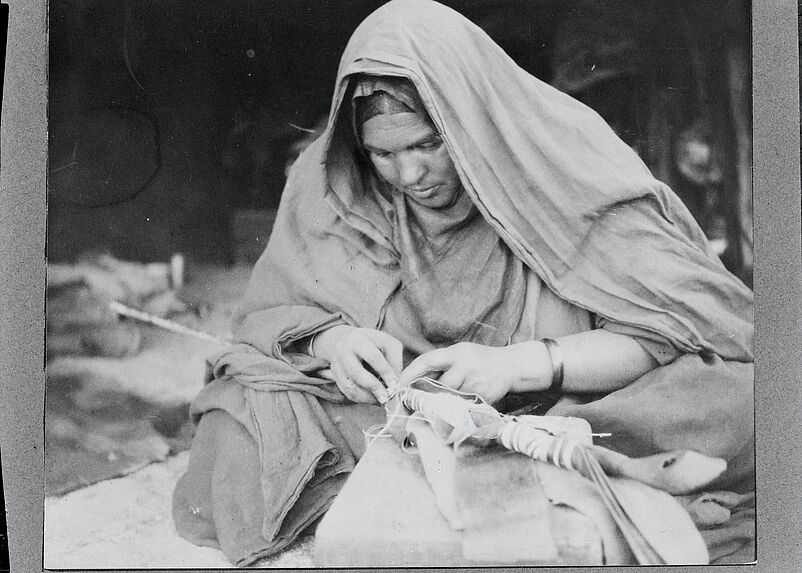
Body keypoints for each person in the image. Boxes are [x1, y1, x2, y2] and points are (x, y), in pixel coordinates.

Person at [173, 0, 754, 566]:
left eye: (429, 144)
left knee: (745, 402)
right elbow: (271, 314)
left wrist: (521, 364)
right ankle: (546, 488)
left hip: (569, 400)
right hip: (395, 420)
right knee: (240, 415)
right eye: (383, 153)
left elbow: (676, 329)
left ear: (470, 118)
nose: (409, 175)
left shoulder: (561, 162)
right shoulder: (333, 182)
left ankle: (523, 479)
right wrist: (332, 343)